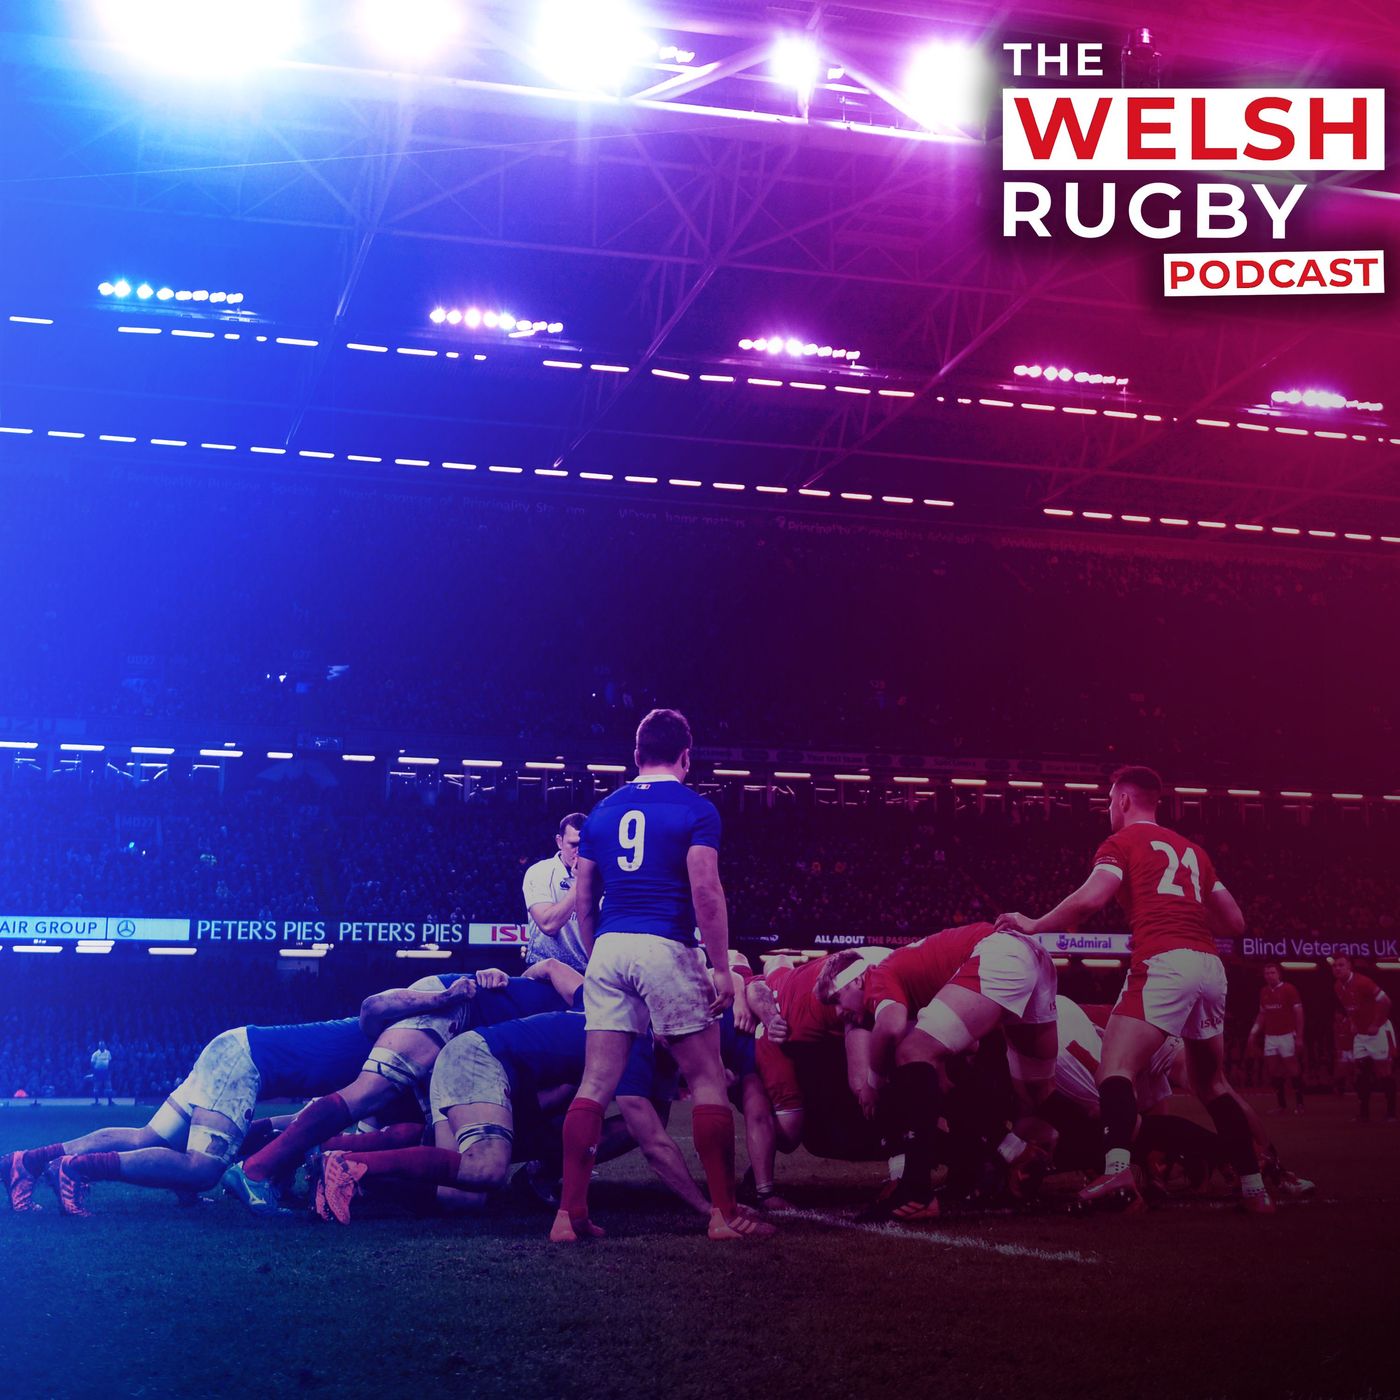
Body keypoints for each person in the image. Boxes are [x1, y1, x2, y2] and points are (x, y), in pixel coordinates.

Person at [996, 765, 1272, 1215]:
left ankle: (1117, 1172)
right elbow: (1235, 923)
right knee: (1213, 1083)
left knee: (1115, 1071)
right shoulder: (1194, 851)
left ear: (1123, 800)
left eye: (1109, 801)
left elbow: (1091, 899)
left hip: (1163, 960)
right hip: (1208, 965)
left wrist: (1035, 923)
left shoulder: (1121, 843)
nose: (1109, 809)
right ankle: (1255, 1188)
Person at [552, 707, 773, 1243]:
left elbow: (585, 898)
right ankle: (724, 1214)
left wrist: (596, 953)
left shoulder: (602, 813)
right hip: (664, 944)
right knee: (706, 1077)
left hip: (609, 946)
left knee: (595, 1083)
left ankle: (567, 1215)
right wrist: (720, 968)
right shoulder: (695, 809)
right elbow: (706, 891)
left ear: (636, 755)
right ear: (686, 757)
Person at [223, 967, 568, 1213]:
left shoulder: (565, 1015)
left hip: (470, 1048)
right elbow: (550, 966)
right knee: (368, 1094)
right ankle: (257, 1169)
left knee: (464, 1195)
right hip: (459, 1013)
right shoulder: (583, 1005)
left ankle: (332, 1165)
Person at [5, 1014, 375, 1216]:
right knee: (202, 1170)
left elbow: (304, 1119)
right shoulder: (390, 1044)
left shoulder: (371, 1041)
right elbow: (320, 1120)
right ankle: (76, 1167)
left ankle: (28, 1161)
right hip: (245, 1063)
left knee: (145, 1138)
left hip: (234, 1046)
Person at [816, 922, 1058, 1220]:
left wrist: (873, 1083)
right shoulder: (910, 976)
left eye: (836, 999)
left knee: (911, 1053)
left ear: (855, 981)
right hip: (1032, 956)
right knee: (1037, 1092)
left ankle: (916, 1191)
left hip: (1000, 953)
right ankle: (1063, 1155)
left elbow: (890, 1027)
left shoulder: (877, 976)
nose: (838, 1012)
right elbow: (968, 1046)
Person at [1331, 953, 1395, 1122]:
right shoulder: (1338, 986)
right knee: (1361, 1073)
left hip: (1378, 1031)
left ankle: (1391, 1112)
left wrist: (1375, 1024)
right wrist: (1353, 1022)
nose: (1337, 968)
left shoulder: (1363, 982)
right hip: (1360, 1034)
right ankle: (1364, 1113)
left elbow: (1386, 1001)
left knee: (1383, 1072)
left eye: (1341, 965)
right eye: (1334, 966)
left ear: (1349, 966)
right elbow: (1349, 1007)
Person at [523, 812, 589, 973]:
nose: (580, 851)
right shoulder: (539, 872)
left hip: (588, 971)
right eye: (573, 844)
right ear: (559, 842)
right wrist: (580, 881)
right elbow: (548, 925)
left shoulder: (603, 875)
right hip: (543, 970)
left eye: (586, 844)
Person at [1248, 961, 1305, 1115]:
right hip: (1270, 1036)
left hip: (1287, 1035)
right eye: (1267, 973)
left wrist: (1299, 1036)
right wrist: (1253, 1032)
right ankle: (1282, 1105)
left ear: (1279, 974)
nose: (1269, 976)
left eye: (1272, 972)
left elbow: (1299, 1013)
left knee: (1292, 1068)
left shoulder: (1289, 989)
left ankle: (1300, 1104)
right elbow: (1262, 1014)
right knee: (1273, 1070)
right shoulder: (1264, 991)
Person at [89, 1041, 114, 1107]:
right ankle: (96, 1102)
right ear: (99, 1046)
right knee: (96, 1087)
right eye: (101, 1045)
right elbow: (92, 1064)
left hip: (106, 1072)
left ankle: (110, 1102)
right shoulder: (95, 1054)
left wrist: (110, 1071)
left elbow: (110, 1062)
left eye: (103, 1045)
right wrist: (94, 1073)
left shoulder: (108, 1053)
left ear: (105, 1046)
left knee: (109, 1086)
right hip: (98, 1072)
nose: (102, 1046)